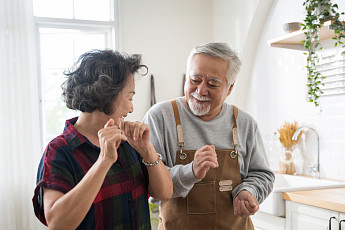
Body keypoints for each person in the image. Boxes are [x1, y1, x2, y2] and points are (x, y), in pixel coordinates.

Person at [32, 49, 173, 230]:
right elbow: (57, 224)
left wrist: (147, 151)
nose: (131, 108)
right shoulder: (60, 151)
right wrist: (103, 162)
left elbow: (164, 193)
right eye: (129, 97)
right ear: (106, 94)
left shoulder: (128, 142)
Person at [143, 42, 275, 230]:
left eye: (212, 84)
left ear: (229, 88)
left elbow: (262, 175)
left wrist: (249, 191)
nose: (201, 90)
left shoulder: (244, 123)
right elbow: (151, 185)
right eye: (195, 80)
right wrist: (191, 171)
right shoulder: (160, 117)